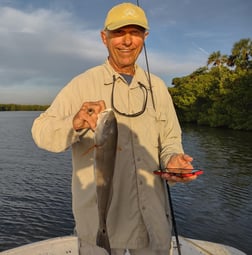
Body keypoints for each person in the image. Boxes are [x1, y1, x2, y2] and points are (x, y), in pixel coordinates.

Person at [32, 2, 198, 255]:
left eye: (135, 32)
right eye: (119, 32)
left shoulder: (158, 88)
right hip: (101, 226)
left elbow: (170, 139)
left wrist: (174, 160)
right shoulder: (82, 84)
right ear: (104, 37)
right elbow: (40, 131)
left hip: (152, 223)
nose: (127, 41)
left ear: (145, 37)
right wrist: (74, 123)